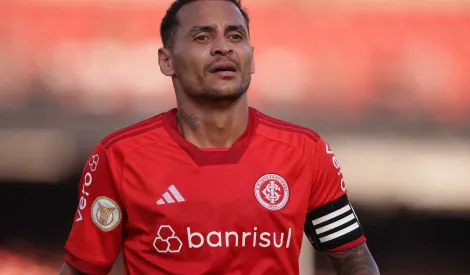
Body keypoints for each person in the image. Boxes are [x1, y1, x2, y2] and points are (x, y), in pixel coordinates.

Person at [59, 0, 380, 274]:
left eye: (235, 35)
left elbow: (353, 258)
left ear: (251, 58)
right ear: (166, 60)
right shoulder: (119, 157)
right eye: (202, 36)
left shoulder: (305, 152)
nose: (223, 46)